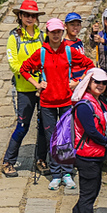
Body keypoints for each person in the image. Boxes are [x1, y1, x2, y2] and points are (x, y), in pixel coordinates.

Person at [20, 18, 95, 190]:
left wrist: (77, 82)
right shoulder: (42, 53)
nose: (56, 35)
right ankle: (56, 173)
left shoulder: (68, 51)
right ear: (47, 33)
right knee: (52, 138)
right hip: (47, 103)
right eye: (53, 32)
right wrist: (37, 85)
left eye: (59, 32)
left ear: (62, 32)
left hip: (66, 101)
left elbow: (89, 65)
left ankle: (67, 173)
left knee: (66, 137)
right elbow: (24, 69)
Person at [67, 68, 107, 213]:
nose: (101, 85)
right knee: (88, 195)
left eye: (104, 83)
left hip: (95, 154)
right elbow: (91, 131)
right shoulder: (84, 105)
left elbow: (103, 122)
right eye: (97, 82)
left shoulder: (99, 102)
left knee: (90, 192)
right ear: (88, 82)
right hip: (87, 156)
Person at [0, 0, 46, 178]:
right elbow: (14, 65)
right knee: (22, 126)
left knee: (43, 125)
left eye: (33, 15)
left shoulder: (42, 36)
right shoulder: (14, 38)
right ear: (20, 16)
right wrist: (34, 82)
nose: (29, 18)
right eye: (26, 14)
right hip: (24, 89)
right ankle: (8, 161)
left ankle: (41, 159)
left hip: (43, 88)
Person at [63, 12, 88, 83]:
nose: (75, 27)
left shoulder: (79, 41)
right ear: (65, 26)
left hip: (83, 77)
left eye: (78, 25)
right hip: (74, 80)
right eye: (72, 25)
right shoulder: (65, 45)